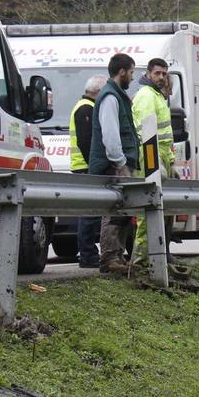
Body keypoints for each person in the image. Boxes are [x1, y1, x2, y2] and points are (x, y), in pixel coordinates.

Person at [88, 53, 138, 274]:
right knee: (114, 210)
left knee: (122, 211)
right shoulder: (110, 97)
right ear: (122, 72)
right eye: (131, 72)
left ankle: (116, 255)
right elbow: (110, 135)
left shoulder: (116, 95)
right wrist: (121, 163)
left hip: (117, 163)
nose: (132, 77)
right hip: (113, 165)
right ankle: (109, 257)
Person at [131, 58, 174, 267]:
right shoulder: (147, 96)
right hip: (151, 156)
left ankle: (153, 257)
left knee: (157, 210)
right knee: (147, 212)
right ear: (148, 73)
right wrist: (155, 163)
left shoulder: (157, 96)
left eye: (164, 74)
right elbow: (147, 134)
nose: (161, 77)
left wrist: (170, 159)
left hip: (160, 156)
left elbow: (164, 133)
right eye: (157, 73)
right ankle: (140, 261)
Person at [68, 75, 106, 268]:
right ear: (97, 92)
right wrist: (95, 166)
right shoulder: (86, 109)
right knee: (89, 214)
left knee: (91, 213)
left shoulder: (86, 106)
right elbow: (86, 142)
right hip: (86, 167)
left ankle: (89, 253)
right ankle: (88, 254)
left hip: (84, 166)